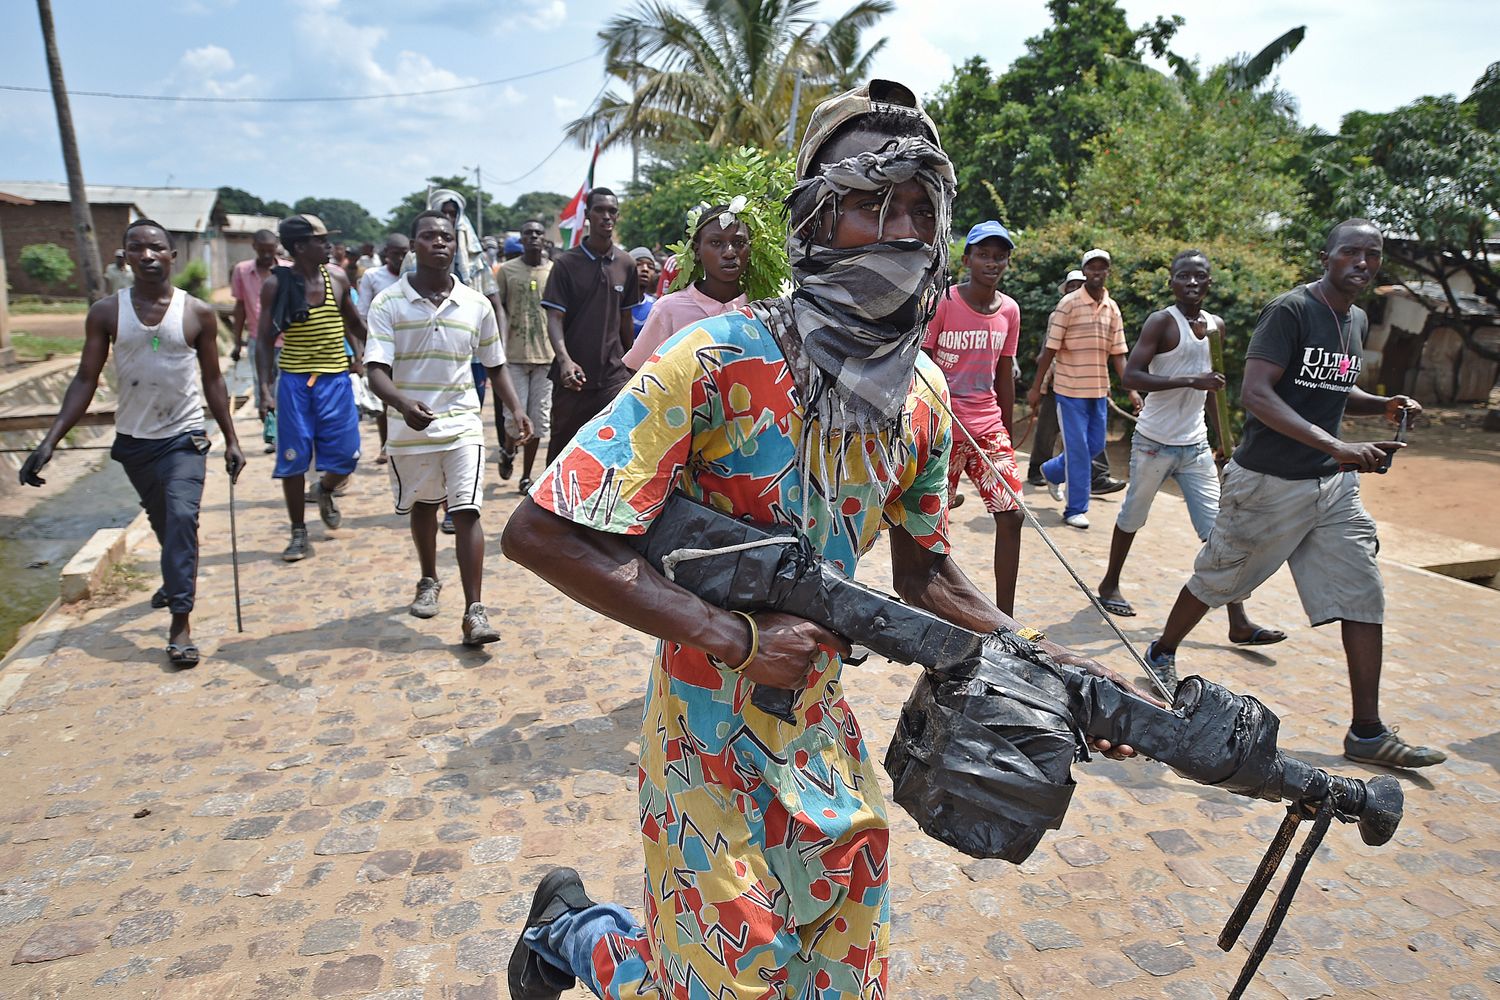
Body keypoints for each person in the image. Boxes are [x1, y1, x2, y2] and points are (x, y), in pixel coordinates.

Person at [500, 79, 1145, 1000]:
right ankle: (575, 932)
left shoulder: (920, 395)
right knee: (721, 982)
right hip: (701, 734)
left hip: (820, 736)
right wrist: (733, 636)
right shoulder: (718, 358)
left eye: (921, 209)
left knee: (842, 975)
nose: (901, 230)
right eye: (869, 204)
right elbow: (542, 530)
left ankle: (574, 929)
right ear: (813, 217)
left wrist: (1059, 670)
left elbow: (929, 579)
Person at [1145, 220, 1444, 769]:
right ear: (1325, 256)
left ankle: (1368, 732)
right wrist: (1337, 443)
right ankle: (1162, 650)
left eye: (1372, 255)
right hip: (1267, 484)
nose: (1362, 262)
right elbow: (1257, 395)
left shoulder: (1354, 317)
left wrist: (1381, 405)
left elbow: (1332, 385)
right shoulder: (1290, 312)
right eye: (1350, 252)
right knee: (1220, 577)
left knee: (1362, 591)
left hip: (1332, 486)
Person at [20, 220, 244, 667]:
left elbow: (214, 380)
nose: (148, 256)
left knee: (182, 518)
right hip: (135, 441)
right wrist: (50, 441)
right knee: (163, 517)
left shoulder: (196, 312)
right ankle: (172, 576)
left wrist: (231, 439)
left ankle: (180, 623)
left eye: (157, 248)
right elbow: (85, 380)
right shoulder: (106, 312)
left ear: (171, 256)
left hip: (185, 436)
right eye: (137, 249)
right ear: (125, 258)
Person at [1095, 250, 1285, 649]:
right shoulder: (1162, 322)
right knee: (1133, 515)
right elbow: (1131, 375)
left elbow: (1214, 387)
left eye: (1200, 277)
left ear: (1209, 282)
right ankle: (1110, 583)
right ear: (1172, 282)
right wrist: (1188, 380)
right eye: (1184, 277)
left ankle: (1239, 621)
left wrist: (1224, 442)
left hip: (1195, 445)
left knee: (1220, 533)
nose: (1192, 283)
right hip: (1153, 443)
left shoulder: (1216, 326)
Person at [365, 210, 532, 646]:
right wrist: (401, 403)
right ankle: (427, 578)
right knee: (423, 506)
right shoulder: (387, 303)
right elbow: (375, 371)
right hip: (410, 427)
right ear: (414, 246)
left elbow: (495, 365)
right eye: (428, 236)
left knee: (466, 511)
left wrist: (515, 410)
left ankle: (474, 610)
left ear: (454, 245)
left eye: (445, 237)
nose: (438, 243)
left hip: (462, 423)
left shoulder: (476, 304)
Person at [920, 221, 1025, 615]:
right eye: (983, 254)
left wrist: (1007, 436)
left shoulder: (1010, 310)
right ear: (967, 259)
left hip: (987, 427)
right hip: (943, 428)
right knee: (931, 523)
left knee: (1012, 513)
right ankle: (934, 603)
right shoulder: (944, 303)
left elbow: (1004, 373)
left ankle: (1006, 618)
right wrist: (931, 421)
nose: (992, 262)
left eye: (1000, 256)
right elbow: (922, 364)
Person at [256, 214, 366, 562]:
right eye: (321, 241)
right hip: (295, 383)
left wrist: (379, 355)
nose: (328, 247)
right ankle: (298, 531)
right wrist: (264, 387)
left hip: (335, 380)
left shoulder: (336, 278)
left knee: (347, 456)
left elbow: (356, 323)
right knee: (294, 459)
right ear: (301, 247)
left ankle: (325, 489)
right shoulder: (278, 285)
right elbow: (262, 340)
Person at [1027, 249, 1141, 529]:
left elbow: (1119, 354)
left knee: (1095, 445)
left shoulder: (1112, 308)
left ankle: (1053, 470)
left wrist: (1132, 391)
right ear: (1084, 270)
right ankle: (1075, 508)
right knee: (1078, 449)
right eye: (1091, 268)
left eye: (1102, 268)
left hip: (1098, 390)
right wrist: (1036, 388)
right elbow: (1050, 349)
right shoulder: (1068, 304)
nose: (1096, 273)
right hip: (1068, 389)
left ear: (1108, 272)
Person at [540, 186, 640, 463]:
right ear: (587, 215)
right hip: (573, 378)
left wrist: (631, 366)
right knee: (562, 451)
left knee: (613, 450)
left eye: (612, 211)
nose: (606, 216)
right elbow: (554, 318)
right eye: (600, 210)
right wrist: (565, 362)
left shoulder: (626, 264)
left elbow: (625, 320)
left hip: (613, 376)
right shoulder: (565, 264)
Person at [1026, 269, 1122, 493]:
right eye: (1072, 285)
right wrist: (1038, 386)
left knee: (1091, 437)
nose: (1076, 289)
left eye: (1080, 285)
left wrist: (1104, 386)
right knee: (1048, 430)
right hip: (1059, 382)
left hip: (1089, 385)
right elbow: (1048, 352)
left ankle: (1096, 476)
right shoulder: (1060, 312)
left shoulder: (1103, 310)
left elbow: (1102, 354)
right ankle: (1038, 469)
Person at [621, 212, 750, 371]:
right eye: (716, 242)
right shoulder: (668, 309)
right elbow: (635, 371)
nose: (730, 252)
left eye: (739, 242)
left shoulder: (760, 310)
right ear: (697, 251)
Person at [495, 219, 554, 491]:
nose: (533, 236)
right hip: (514, 356)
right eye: (528, 233)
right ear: (521, 238)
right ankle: (508, 452)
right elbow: (499, 309)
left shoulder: (553, 271)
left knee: (538, 421)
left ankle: (527, 476)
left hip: (546, 357)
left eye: (538, 233)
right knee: (513, 418)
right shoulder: (507, 271)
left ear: (544, 239)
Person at [231, 230, 290, 455]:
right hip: (259, 340)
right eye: (262, 249)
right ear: (254, 246)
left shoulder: (287, 269)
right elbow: (239, 307)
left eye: (270, 249)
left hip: (287, 340)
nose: (267, 254)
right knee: (263, 388)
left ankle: (286, 434)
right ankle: (272, 434)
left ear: (276, 247)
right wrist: (237, 343)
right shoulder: (242, 271)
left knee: (286, 388)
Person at [356, 233, 410, 465]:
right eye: (395, 254)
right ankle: (386, 444)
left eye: (404, 253)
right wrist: (365, 348)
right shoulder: (373, 277)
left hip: (410, 346)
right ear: (385, 253)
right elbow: (362, 312)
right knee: (386, 398)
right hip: (383, 345)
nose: (400, 258)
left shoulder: (415, 276)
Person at [626, 247, 658, 339]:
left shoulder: (656, 306)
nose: (645, 269)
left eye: (650, 267)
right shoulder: (614, 303)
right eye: (638, 264)